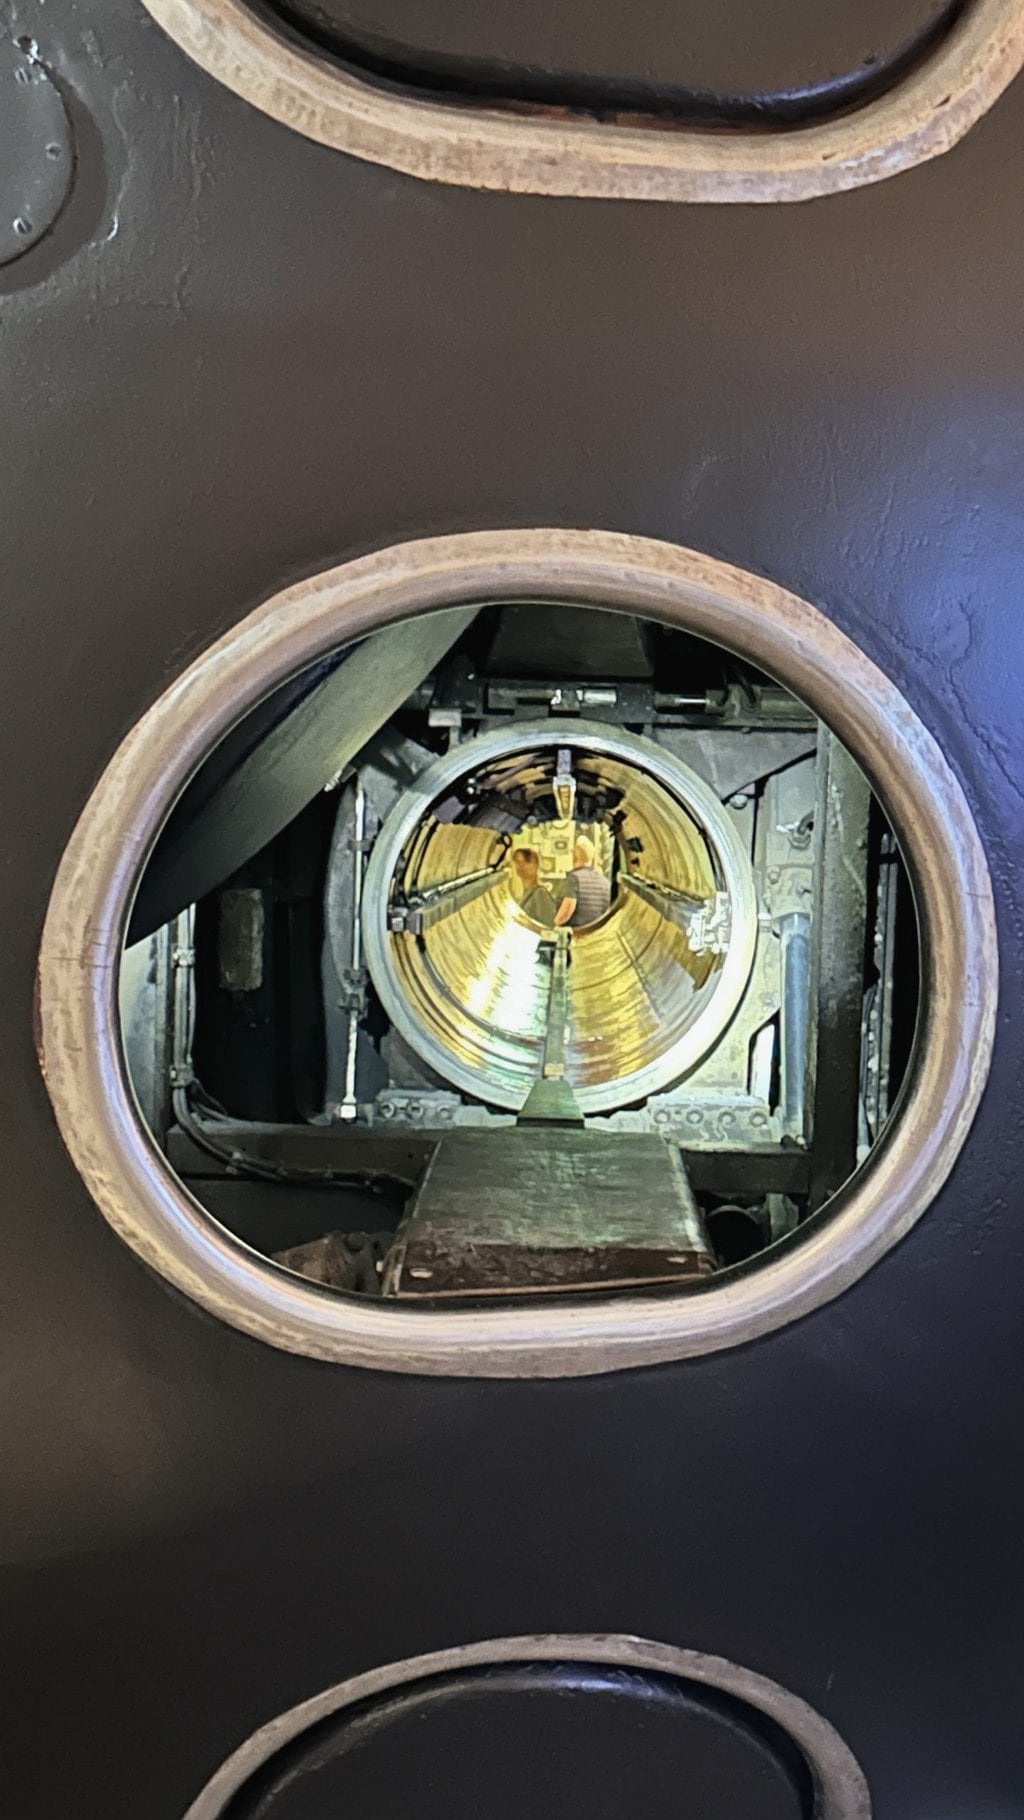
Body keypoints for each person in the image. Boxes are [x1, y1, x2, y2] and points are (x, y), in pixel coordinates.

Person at [554, 836, 612, 928]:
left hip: (577, 932)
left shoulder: (574, 879)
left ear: (574, 857)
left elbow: (567, 910)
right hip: (597, 932)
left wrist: (555, 925)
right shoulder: (605, 882)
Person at [510, 847, 558, 928]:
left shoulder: (540, 894)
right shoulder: (520, 895)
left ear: (537, 865)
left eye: (527, 861)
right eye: (518, 861)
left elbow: (548, 926)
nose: (522, 865)